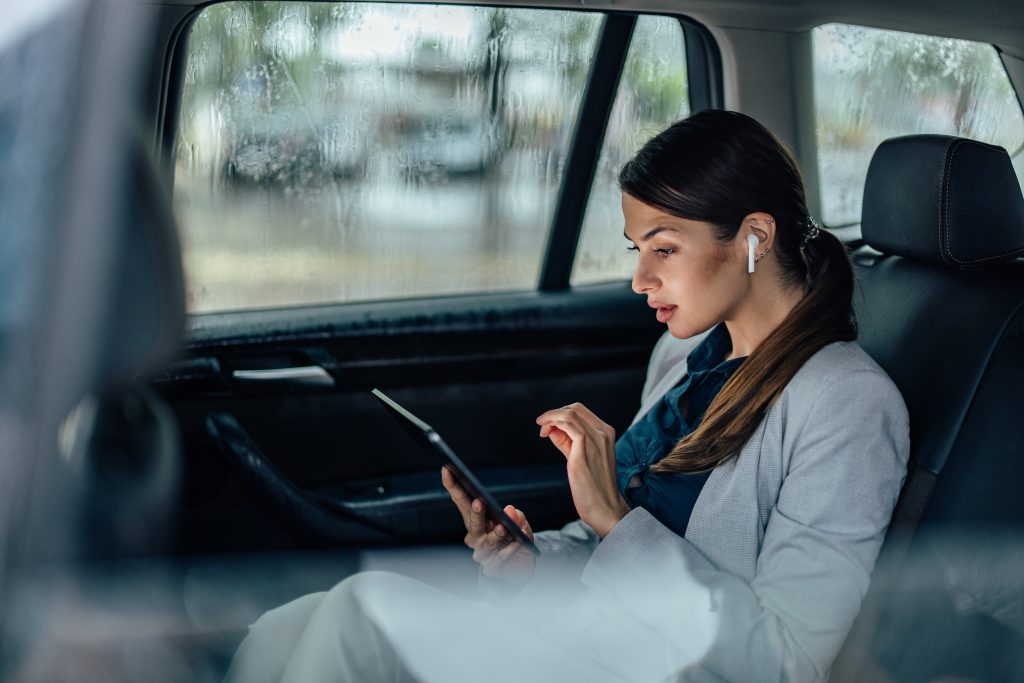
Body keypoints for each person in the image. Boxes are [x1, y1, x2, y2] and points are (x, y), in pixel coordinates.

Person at [223, 110, 909, 683]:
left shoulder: (846, 404)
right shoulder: (683, 355)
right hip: (594, 636)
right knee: (290, 624)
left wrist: (615, 520)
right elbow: (616, 539)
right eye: (636, 247)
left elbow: (786, 662)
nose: (640, 278)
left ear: (756, 238)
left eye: (663, 249)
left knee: (361, 612)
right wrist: (533, 561)